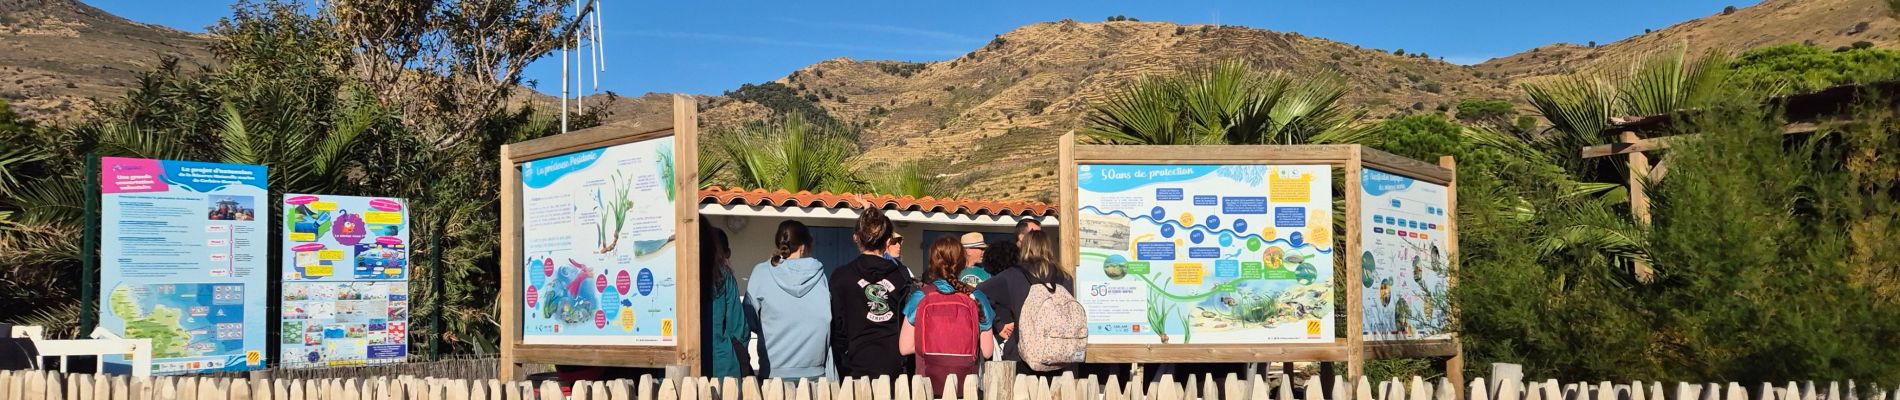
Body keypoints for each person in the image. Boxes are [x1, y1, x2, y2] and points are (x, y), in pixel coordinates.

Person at [900, 236, 997, 397]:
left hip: (928, 387)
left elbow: (904, 348)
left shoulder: (920, 296)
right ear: (961, 263)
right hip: (965, 388)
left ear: (932, 262)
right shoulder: (976, 296)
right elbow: (987, 351)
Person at [829, 211, 915, 378]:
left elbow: (837, 328)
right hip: (894, 368)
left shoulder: (841, 277)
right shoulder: (901, 276)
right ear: (888, 240)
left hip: (854, 367)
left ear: (856, 237)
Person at [745, 220, 835, 380]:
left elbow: (748, 319)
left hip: (773, 375)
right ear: (803, 247)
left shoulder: (761, 272)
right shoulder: (820, 275)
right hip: (815, 377)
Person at [977, 229, 1073, 375]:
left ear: (1025, 247)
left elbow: (979, 293)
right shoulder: (1064, 277)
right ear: (1049, 247)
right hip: (1057, 352)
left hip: (1021, 352)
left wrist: (998, 324)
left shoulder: (1013, 275)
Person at [700, 222, 750, 378]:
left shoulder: (679, 275)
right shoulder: (724, 277)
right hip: (723, 367)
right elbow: (739, 329)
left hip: (684, 368)